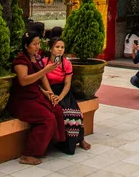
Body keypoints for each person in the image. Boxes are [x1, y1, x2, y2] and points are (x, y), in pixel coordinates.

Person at [8, 32, 66, 165]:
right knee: (48, 119)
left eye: (38, 44)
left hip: (36, 95)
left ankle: (56, 142)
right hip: (23, 100)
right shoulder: (20, 60)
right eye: (34, 44)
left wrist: (50, 93)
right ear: (26, 45)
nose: (37, 47)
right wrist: (45, 70)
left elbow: (42, 77)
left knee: (57, 109)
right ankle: (28, 154)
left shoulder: (37, 58)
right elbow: (23, 80)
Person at [40, 37, 91, 154]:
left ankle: (80, 139)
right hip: (49, 91)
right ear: (51, 48)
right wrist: (52, 95)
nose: (60, 50)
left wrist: (61, 97)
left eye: (62, 47)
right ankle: (60, 143)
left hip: (64, 92)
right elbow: (43, 79)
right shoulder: (44, 62)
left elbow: (67, 83)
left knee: (75, 114)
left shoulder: (66, 63)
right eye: (57, 47)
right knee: (62, 114)